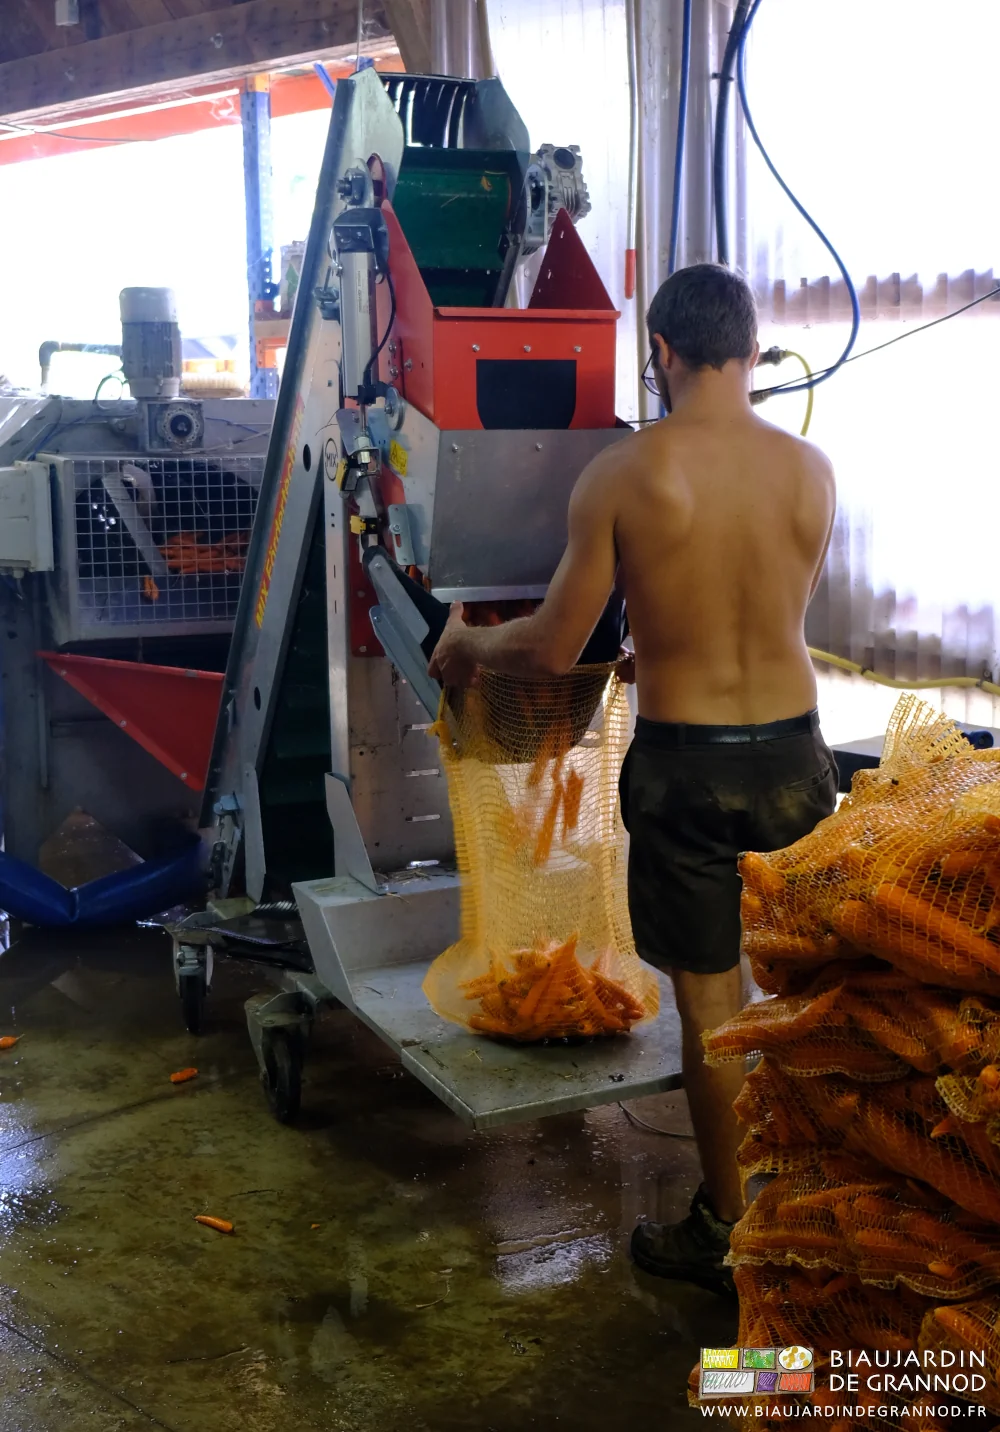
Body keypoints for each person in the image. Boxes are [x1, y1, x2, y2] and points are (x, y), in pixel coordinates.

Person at [428, 263, 837, 1296]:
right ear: (750, 352)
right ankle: (816, 1205)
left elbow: (554, 651)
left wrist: (471, 650)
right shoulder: (812, 469)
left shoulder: (624, 472)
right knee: (799, 1001)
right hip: (798, 759)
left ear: (659, 352)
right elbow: (762, 606)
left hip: (686, 770)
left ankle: (727, 1227)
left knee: (712, 1011)